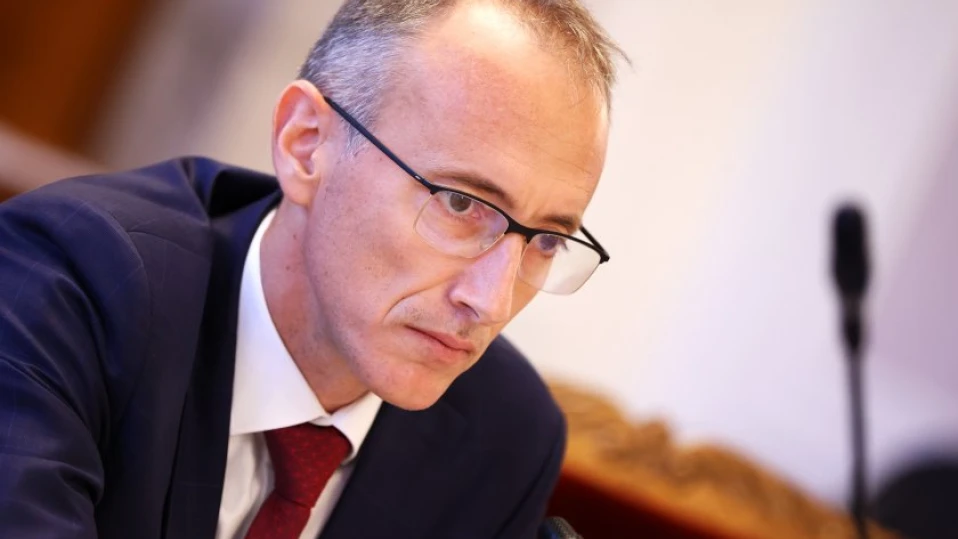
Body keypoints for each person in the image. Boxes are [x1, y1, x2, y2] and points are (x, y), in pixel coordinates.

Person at [0, 0, 622, 537]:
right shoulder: (71, 281)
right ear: (306, 144)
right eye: (461, 204)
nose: (490, 302)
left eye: (546, 241)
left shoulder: (505, 437)